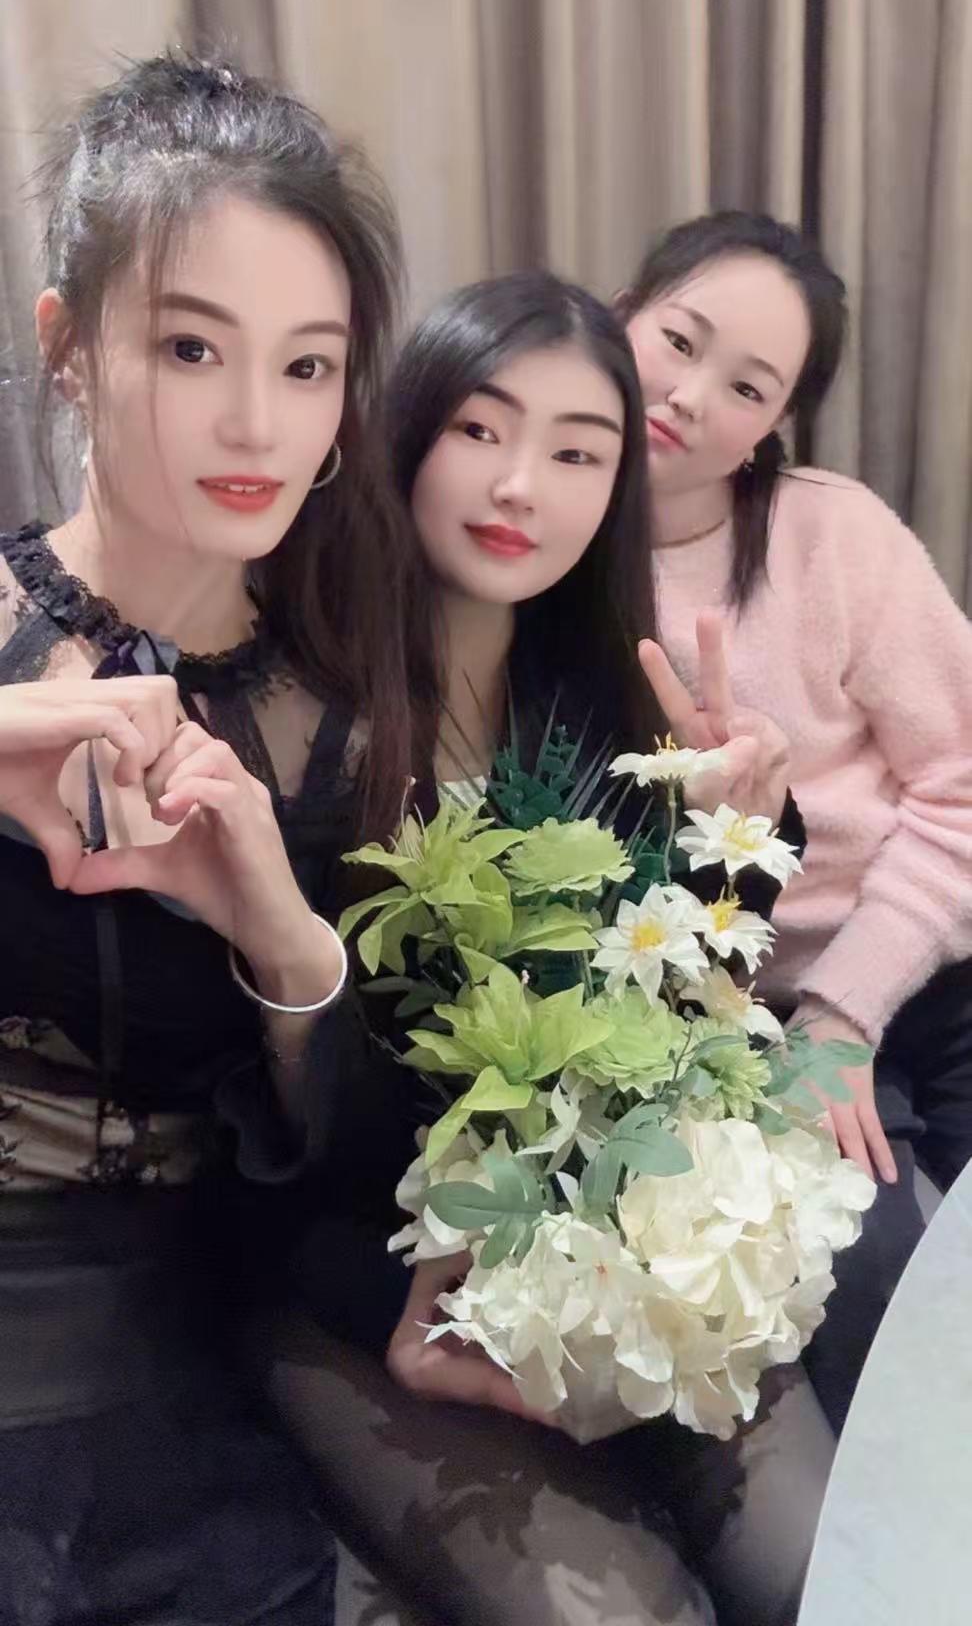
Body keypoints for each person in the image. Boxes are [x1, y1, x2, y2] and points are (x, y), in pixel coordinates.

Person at [283, 273, 834, 1626]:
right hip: (361, 1278)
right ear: (408, 431)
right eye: (481, 430)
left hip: (615, 1255)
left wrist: (733, 829)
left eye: (580, 453)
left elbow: (693, 1003)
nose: (521, 485)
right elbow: (286, 1127)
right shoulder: (299, 714)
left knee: (831, 1574)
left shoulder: (608, 701)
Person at [0, 50, 421, 1625]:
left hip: (179, 1340)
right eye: (191, 348)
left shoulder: (343, 717)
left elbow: (364, 1176)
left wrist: (286, 948)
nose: (256, 422)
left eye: (309, 367)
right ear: (67, 346)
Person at [619, 208, 972, 1424]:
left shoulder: (834, 534)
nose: (689, 395)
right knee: (889, 1306)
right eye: (679, 340)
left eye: (747, 385)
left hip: (919, 959)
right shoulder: (541, 551)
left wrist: (846, 1009)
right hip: (741, 1013)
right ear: (623, 314)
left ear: (775, 422)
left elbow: (961, 785)